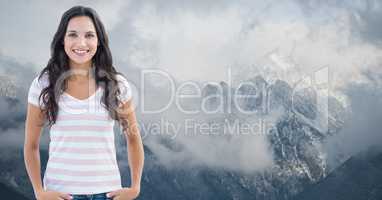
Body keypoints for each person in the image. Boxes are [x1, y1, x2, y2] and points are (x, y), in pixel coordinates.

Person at [24, 6, 144, 200]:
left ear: (99, 41)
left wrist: (135, 187)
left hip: (108, 193)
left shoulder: (117, 85)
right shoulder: (43, 84)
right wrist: (39, 191)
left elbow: (133, 138)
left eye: (89, 35)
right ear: (62, 40)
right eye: (72, 35)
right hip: (60, 193)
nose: (81, 42)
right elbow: (31, 145)